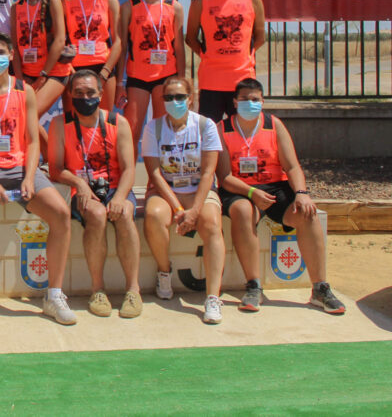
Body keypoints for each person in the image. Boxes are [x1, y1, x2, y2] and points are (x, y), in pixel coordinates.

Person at [0, 32, 75, 326]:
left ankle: (54, 295)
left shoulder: (25, 90)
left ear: (11, 55)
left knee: (61, 213)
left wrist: (29, 175)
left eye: (0, 51)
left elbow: (33, 141)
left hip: (20, 168)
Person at [215, 78, 345, 315]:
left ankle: (320, 287)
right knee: (243, 211)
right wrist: (253, 193)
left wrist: (302, 194)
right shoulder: (222, 128)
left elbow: (292, 166)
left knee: (307, 214)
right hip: (240, 189)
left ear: (263, 101)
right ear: (235, 102)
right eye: (244, 99)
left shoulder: (274, 125)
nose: (250, 103)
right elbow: (224, 177)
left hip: (275, 187)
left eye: (255, 100)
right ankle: (253, 286)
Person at [48, 69, 142, 318]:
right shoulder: (60, 124)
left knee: (125, 214)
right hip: (81, 189)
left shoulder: (117, 122)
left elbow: (129, 168)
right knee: (97, 214)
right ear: (70, 95)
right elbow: (56, 169)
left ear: (101, 94)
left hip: (114, 186)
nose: (85, 97)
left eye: (90, 92)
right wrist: (79, 183)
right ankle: (97, 289)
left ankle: (133, 289)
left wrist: (121, 197)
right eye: (78, 93)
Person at [141, 76, 225, 324]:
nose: (174, 102)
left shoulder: (205, 125)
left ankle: (213, 296)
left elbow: (209, 172)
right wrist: (178, 208)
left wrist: (195, 210)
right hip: (167, 191)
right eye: (168, 98)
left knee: (211, 223)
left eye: (179, 97)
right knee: (155, 215)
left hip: (199, 190)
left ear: (190, 98)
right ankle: (164, 271)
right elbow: (154, 173)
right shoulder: (153, 127)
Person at [185, 0, 266, 122]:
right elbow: (190, 37)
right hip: (211, 80)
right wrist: (207, 54)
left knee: (243, 130)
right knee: (208, 133)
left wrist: (244, 54)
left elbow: (260, 36)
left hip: (242, 80)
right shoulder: (201, 0)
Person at [117, 0, 185, 144]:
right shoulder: (129, 7)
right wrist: (120, 83)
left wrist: (182, 81)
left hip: (166, 77)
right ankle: (128, 175)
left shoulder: (175, 7)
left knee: (165, 133)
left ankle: (160, 175)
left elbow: (179, 48)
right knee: (131, 132)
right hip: (137, 77)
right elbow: (122, 48)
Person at [10, 0, 70, 149]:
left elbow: (60, 40)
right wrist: (20, 78)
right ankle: (52, 160)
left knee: (29, 114)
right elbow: (15, 47)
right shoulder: (16, 7)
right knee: (22, 116)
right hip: (26, 74)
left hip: (53, 73)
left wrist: (43, 74)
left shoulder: (52, 0)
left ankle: (54, 161)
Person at [61, 0, 121, 112]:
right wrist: (70, 70)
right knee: (73, 125)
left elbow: (118, 42)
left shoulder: (110, 0)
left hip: (103, 68)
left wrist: (105, 72)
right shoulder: (65, 1)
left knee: (105, 124)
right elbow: (59, 39)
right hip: (73, 69)